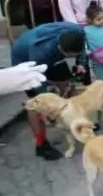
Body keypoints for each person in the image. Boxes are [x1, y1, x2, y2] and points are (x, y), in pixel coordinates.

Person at [11, 22, 86, 160]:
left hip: (52, 55)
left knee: (67, 85)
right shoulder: (40, 52)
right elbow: (41, 94)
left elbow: (81, 51)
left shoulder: (78, 32)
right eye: (67, 54)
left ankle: (77, 123)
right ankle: (41, 145)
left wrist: (80, 63)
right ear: (61, 49)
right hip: (26, 60)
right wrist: (50, 112)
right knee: (34, 104)